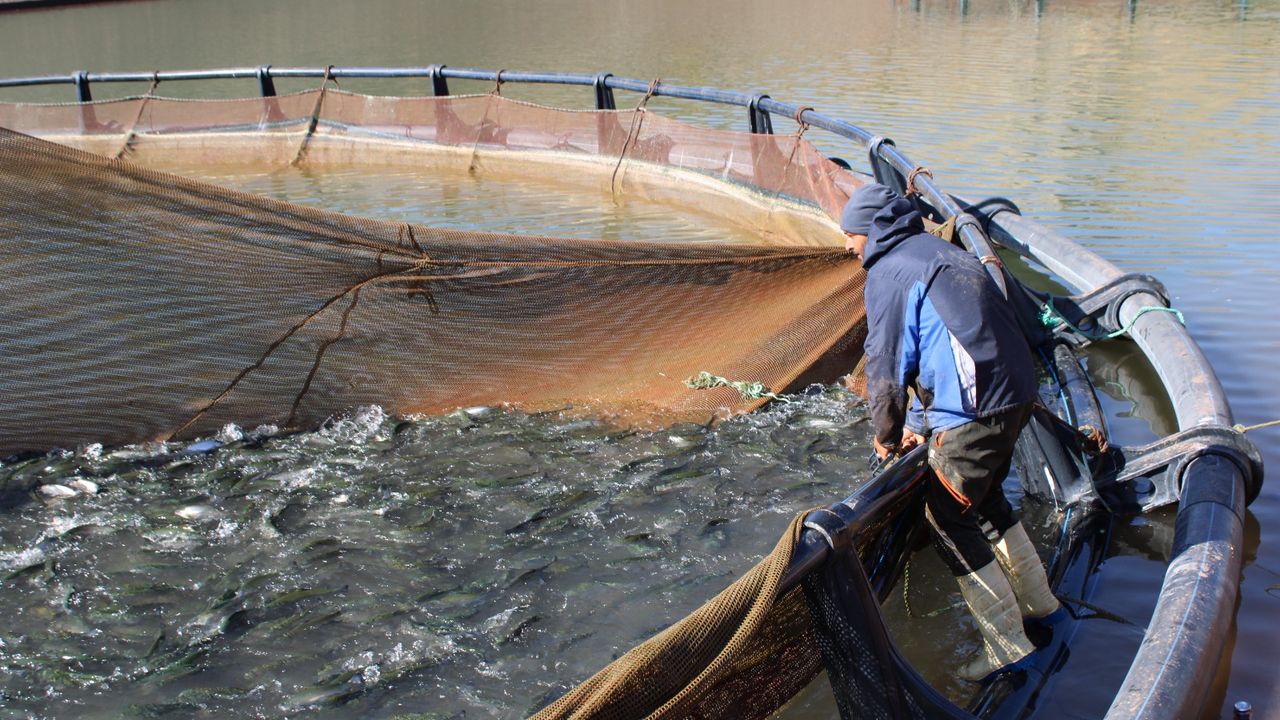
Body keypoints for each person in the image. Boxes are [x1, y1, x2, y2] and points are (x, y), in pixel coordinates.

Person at [841, 183, 1060, 681]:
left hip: (977, 407)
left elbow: (887, 364)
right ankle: (1042, 606)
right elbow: (942, 341)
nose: (847, 245)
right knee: (983, 502)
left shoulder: (888, 271)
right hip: (1017, 392)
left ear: (872, 229)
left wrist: (888, 435)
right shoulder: (936, 249)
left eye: (850, 234)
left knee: (946, 518)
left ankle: (1008, 649)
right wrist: (922, 425)